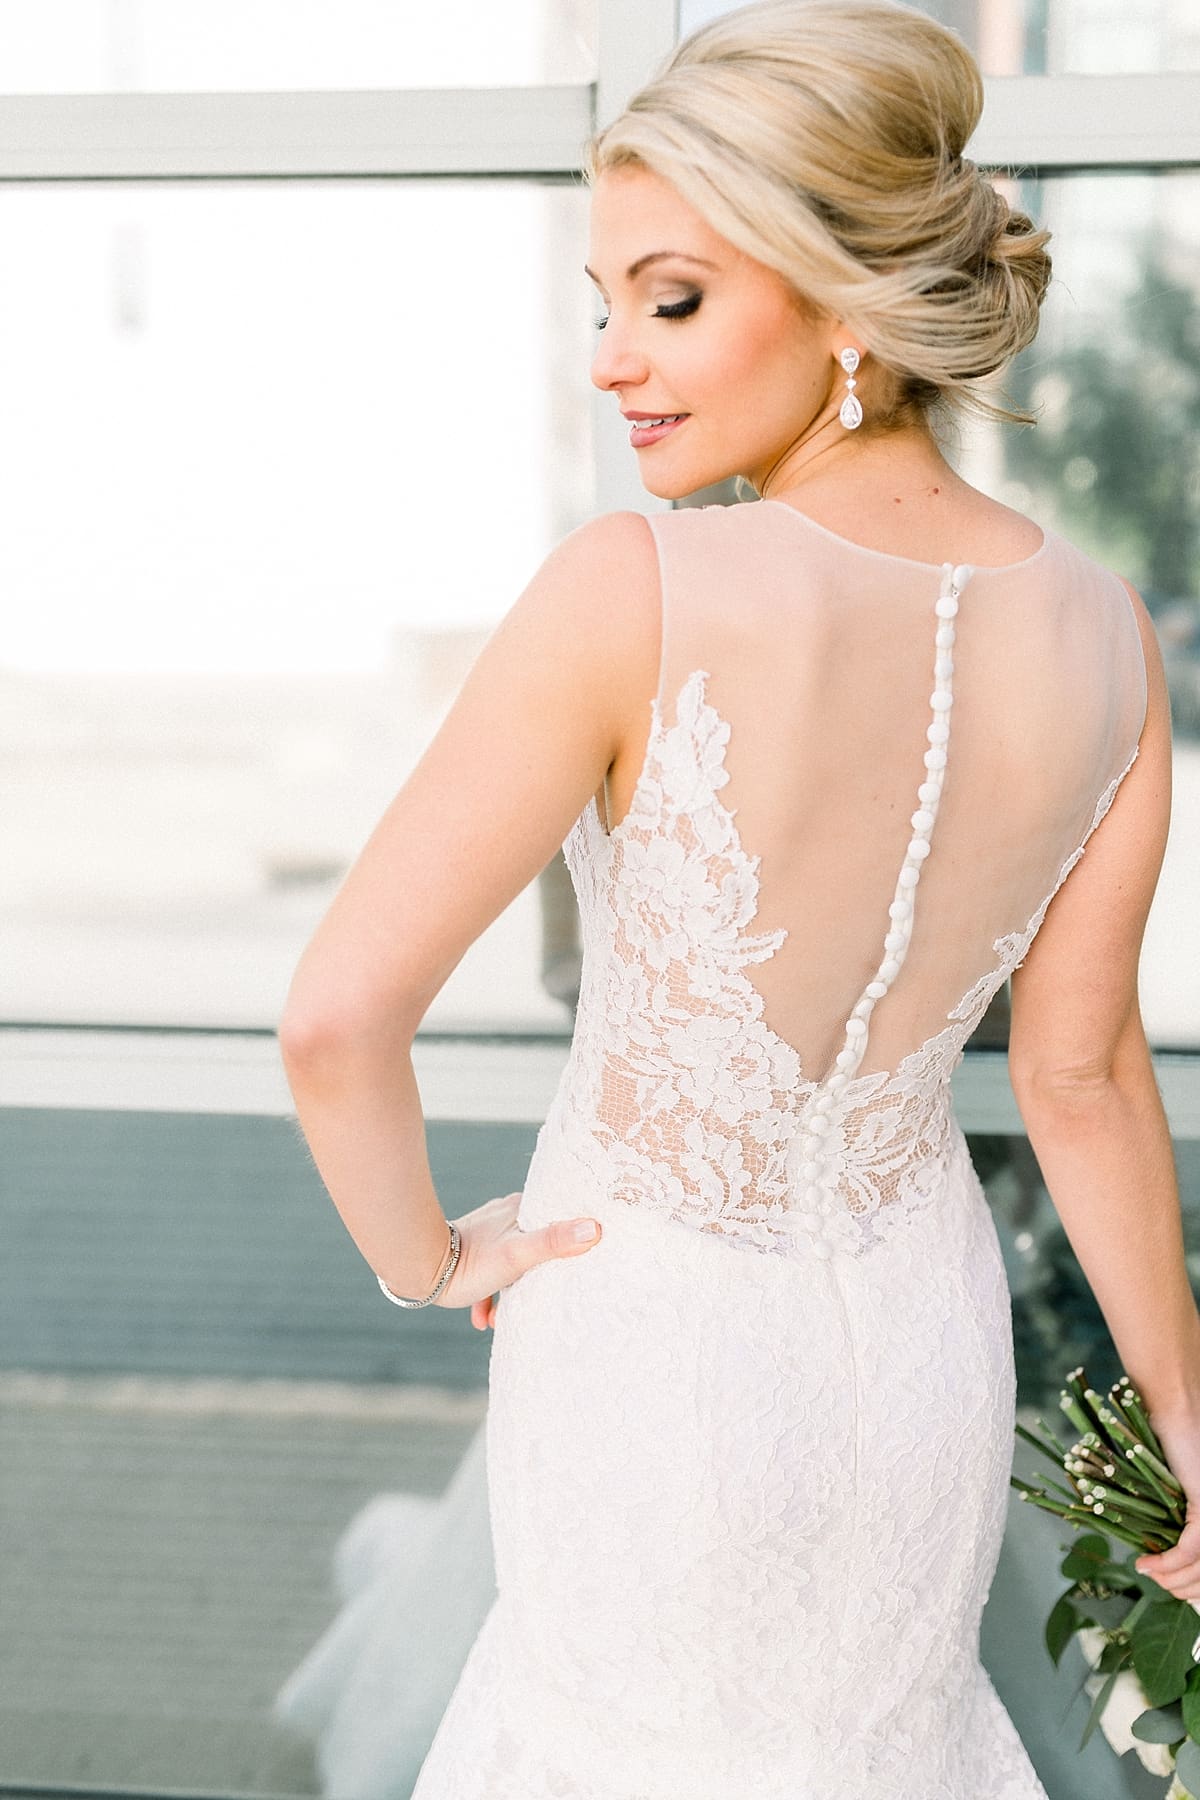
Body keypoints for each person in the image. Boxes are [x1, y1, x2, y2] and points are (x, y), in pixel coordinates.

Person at [277, 1, 1195, 1793]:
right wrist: (1188, 1408)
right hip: (924, 1352)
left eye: (673, 298)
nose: (616, 358)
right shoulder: (1107, 636)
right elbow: (1081, 1082)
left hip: (651, 1350)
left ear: (845, 304)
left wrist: (438, 1261)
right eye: (602, 303)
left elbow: (334, 1016)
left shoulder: (635, 590)